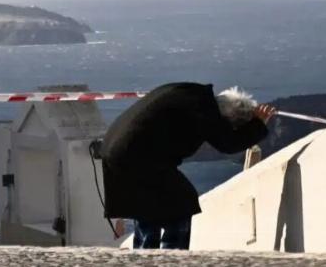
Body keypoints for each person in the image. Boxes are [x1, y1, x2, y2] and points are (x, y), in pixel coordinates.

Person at [100, 83, 276, 250]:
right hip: (137, 155)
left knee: (146, 206)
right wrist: (258, 124)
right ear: (228, 118)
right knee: (183, 203)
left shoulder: (195, 95)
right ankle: (173, 253)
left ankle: (145, 254)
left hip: (117, 148)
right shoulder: (205, 111)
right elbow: (228, 143)